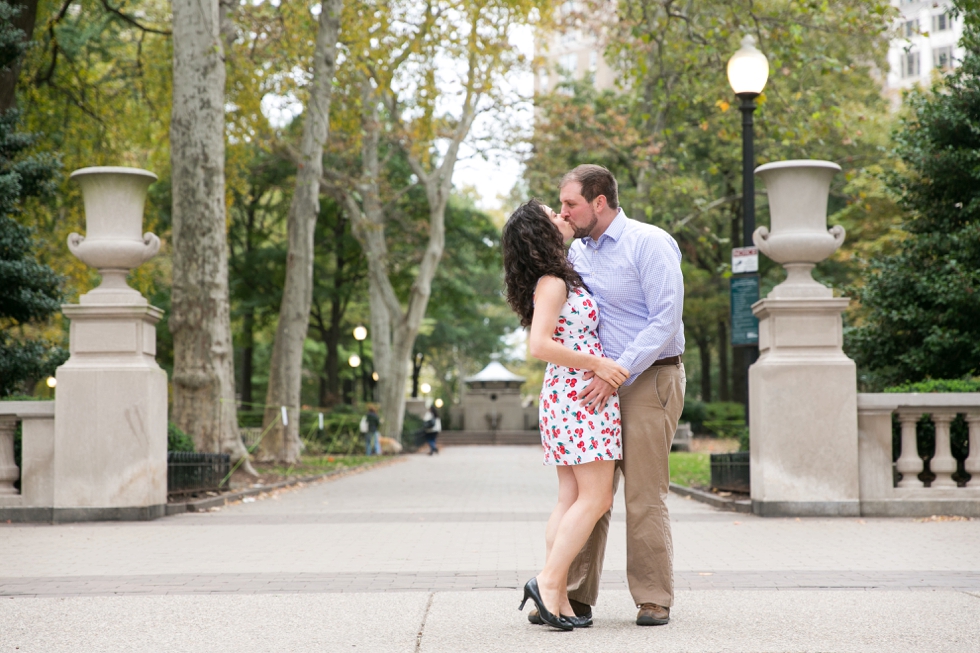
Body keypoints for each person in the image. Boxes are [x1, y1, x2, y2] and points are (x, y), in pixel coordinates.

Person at [555, 164, 686, 627]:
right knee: (594, 492)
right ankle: (572, 596)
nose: (563, 211)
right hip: (597, 386)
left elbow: (665, 318)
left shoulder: (648, 242)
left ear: (599, 201)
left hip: (648, 378)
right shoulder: (578, 252)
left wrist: (616, 373)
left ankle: (653, 597)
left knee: (645, 494)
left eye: (570, 203)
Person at [502, 199, 630, 631]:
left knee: (571, 498)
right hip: (579, 394)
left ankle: (554, 600)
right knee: (597, 498)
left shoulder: (554, 278)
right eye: (552, 215)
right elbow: (539, 346)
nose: (563, 216)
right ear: (541, 232)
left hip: (566, 394)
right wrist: (597, 365)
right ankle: (548, 580)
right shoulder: (554, 282)